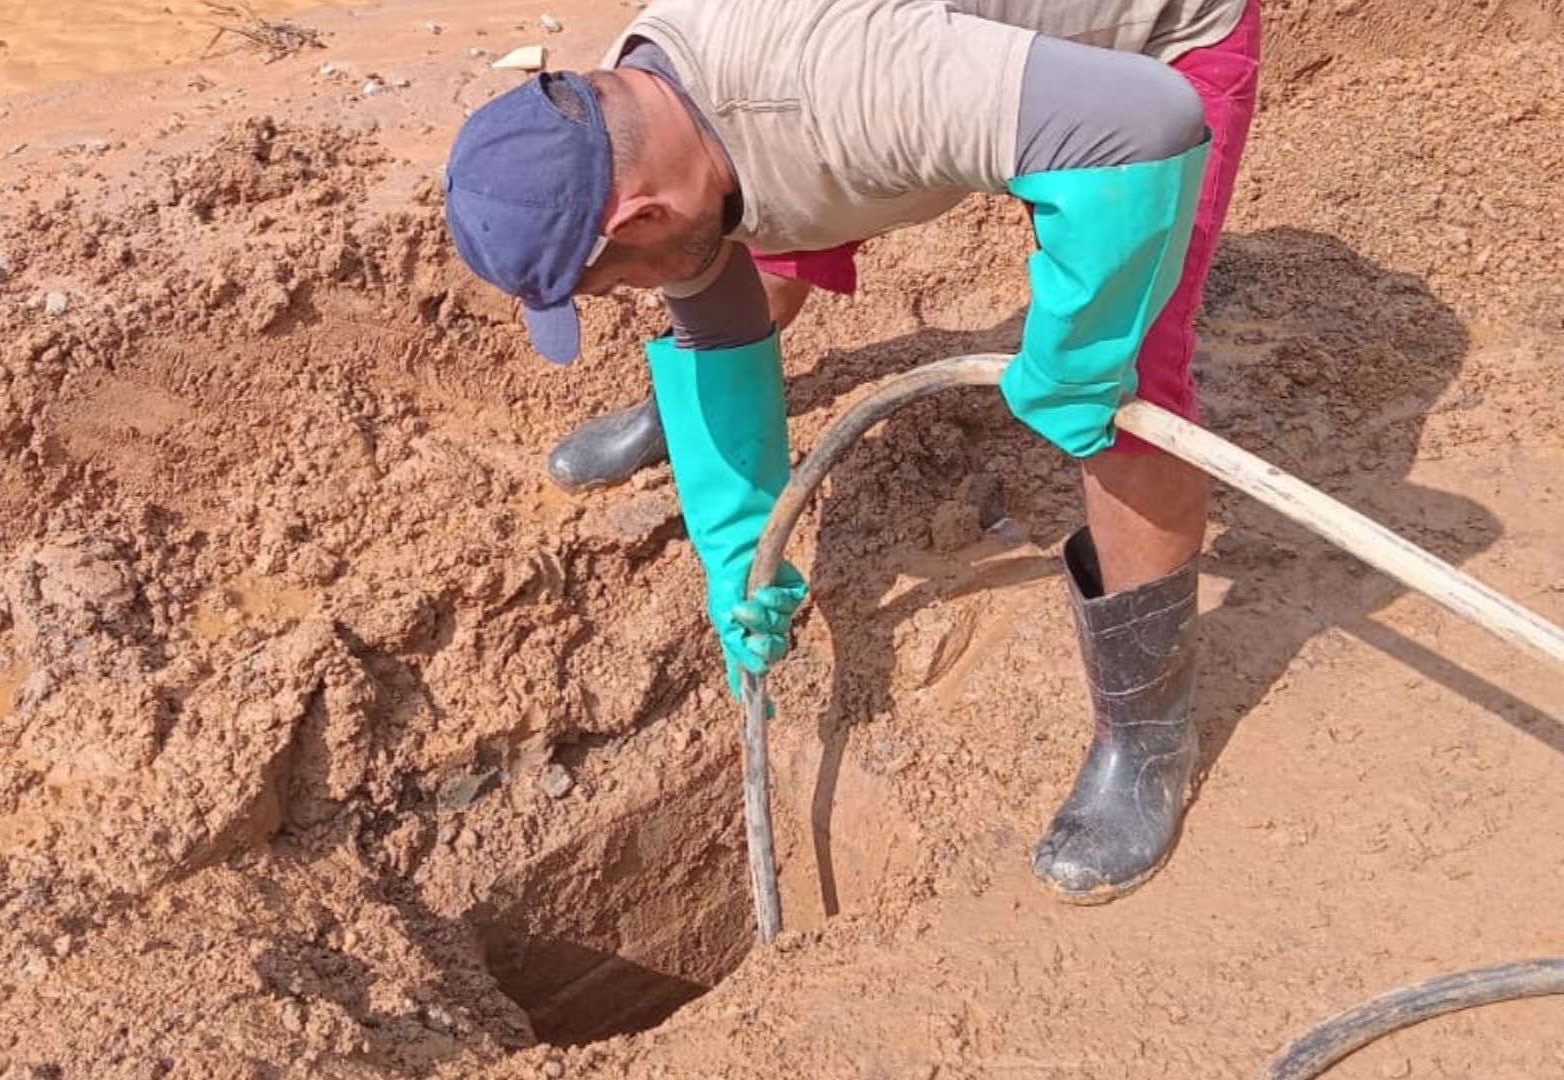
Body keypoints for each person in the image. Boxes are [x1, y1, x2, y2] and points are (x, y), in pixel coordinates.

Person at [443, 0, 1260, 903]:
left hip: (1150, 58)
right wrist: (740, 547)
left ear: (634, 215)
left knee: (1126, 382)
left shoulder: (837, 98)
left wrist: (1075, 359)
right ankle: (687, 413)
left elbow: (1149, 124)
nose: (626, 292)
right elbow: (713, 295)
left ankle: (1144, 737)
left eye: (615, 280)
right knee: (741, 224)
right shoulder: (625, 107)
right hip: (865, 88)